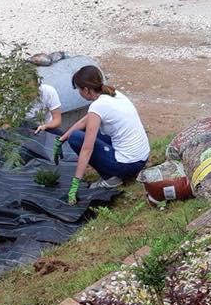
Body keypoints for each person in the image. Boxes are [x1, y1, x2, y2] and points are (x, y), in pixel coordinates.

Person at [53, 65, 150, 204]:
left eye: (79, 89)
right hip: (141, 158)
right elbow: (83, 121)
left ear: (86, 90)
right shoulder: (113, 94)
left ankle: (111, 178)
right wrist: (62, 138)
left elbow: (87, 149)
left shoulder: (97, 106)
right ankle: (121, 171)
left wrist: (75, 185)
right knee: (82, 132)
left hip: (128, 165)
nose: (79, 93)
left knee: (76, 138)